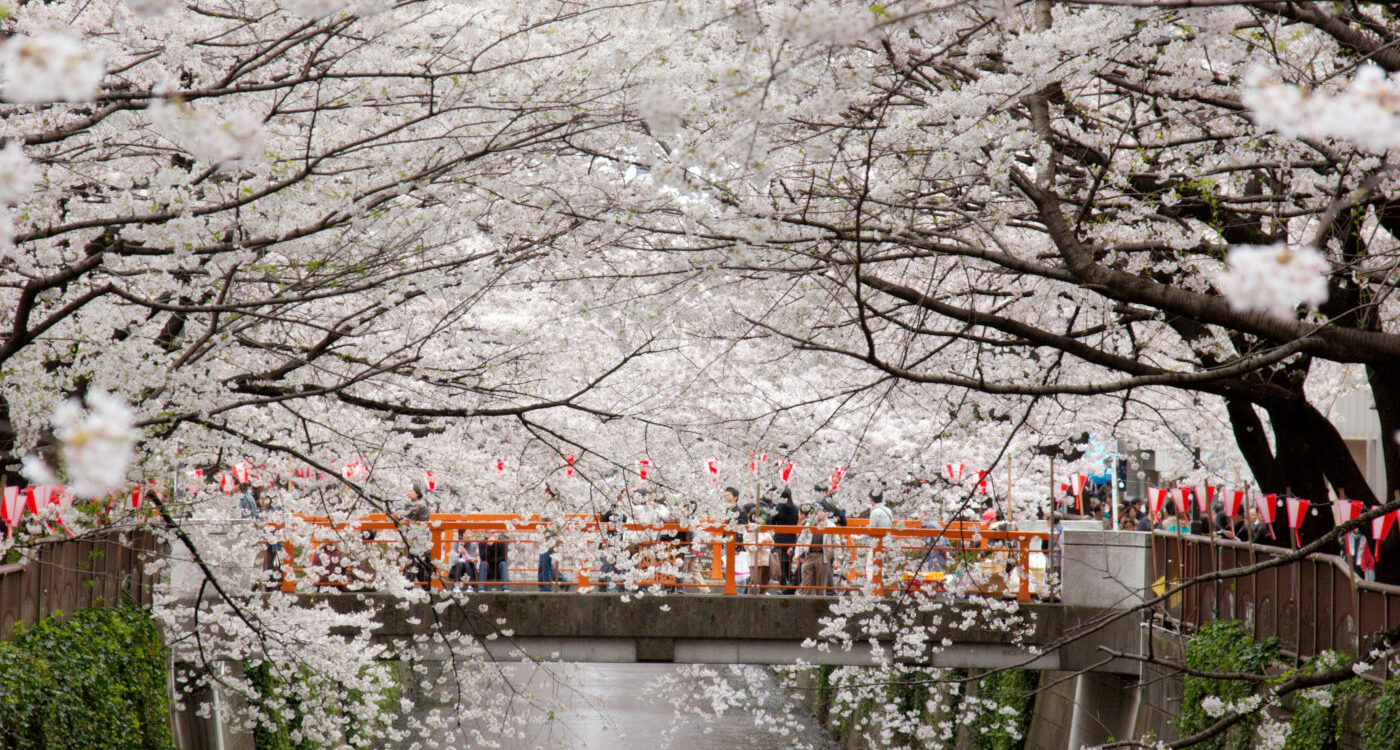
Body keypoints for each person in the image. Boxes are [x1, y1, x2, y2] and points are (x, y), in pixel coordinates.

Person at [771, 487, 800, 593]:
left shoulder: (777, 508)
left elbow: (772, 522)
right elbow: (796, 521)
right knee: (788, 565)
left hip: (779, 538)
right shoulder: (795, 508)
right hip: (791, 539)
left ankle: (784, 587)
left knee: (781, 566)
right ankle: (792, 586)